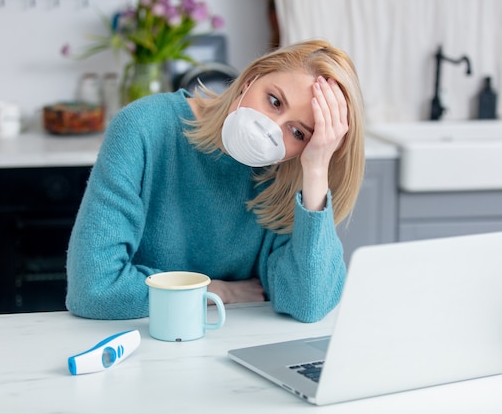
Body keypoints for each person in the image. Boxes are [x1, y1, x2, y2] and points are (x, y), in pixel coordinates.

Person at [65, 39, 365, 323]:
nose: (270, 129)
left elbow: (309, 303)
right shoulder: (144, 127)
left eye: (298, 132)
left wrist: (315, 170)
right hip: (139, 338)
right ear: (250, 81)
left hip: (232, 345)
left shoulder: (290, 174)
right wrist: (217, 292)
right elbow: (94, 288)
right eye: (274, 101)